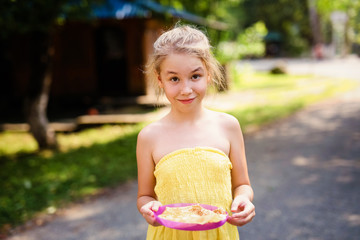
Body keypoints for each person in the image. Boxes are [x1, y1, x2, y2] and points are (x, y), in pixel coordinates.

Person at [136, 24, 255, 240]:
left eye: (195, 76)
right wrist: (148, 207)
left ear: (208, 74)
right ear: (160, 79)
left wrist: (244, 200)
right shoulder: (149, 137)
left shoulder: (228, 126)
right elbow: (145, 195)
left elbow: (242, 185)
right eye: (174, 79)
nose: (186, 89)